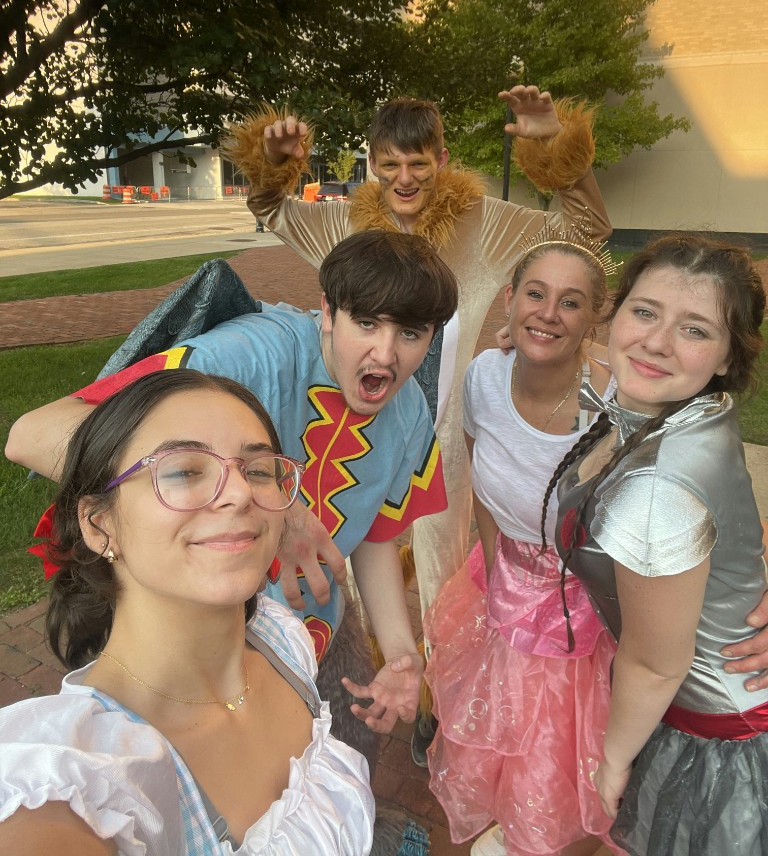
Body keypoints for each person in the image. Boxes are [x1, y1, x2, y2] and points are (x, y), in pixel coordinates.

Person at [224, 84, 612, 762]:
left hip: (445, 445)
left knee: (443, 581)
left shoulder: (484, 224)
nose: (405, 179)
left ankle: (439, 703)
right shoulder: (346, 224)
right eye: (389, 164)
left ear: (441, 158)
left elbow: (585, 233)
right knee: (337, 574)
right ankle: (329, 696)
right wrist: (270, 161)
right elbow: (270, 209)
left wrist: (560, 150)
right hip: (357, 443)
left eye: (418, 163)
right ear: (373, 164)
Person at [5, 231, 458, 757]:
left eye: (410, 333)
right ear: (328, 312)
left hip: (300, 639)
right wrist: (279, 508)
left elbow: (375, 536)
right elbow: (33, 435)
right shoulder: (249, 354)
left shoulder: (410, 416)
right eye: (366, 323)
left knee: (313, 770)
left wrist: (401, 654)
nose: (385, 352)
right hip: (178, 645)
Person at [0, 369, 375, 854]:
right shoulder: (84, 775)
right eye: (182, 471)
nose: (240, 493)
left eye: (257, 471)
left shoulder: (285, 642)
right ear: (98, 525)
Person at [545, 234, 767, 855]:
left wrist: (614, 762)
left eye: (695, 330)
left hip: (717, 730)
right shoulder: (690, 409)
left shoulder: (658, 493)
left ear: (727, 356)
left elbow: (655, 663)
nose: (656, 342)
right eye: (644, 312)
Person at [424, 227, 622, 856]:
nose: (548, 313)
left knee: (567, 753)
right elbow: (484, 480)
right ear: (508, 300)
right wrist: (494, 577)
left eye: (570, 301)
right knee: (497, 734)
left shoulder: (616, 402)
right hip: (503, 577)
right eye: (535, 294)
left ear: (596, 315)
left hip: (588, 606)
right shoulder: (484, 376)